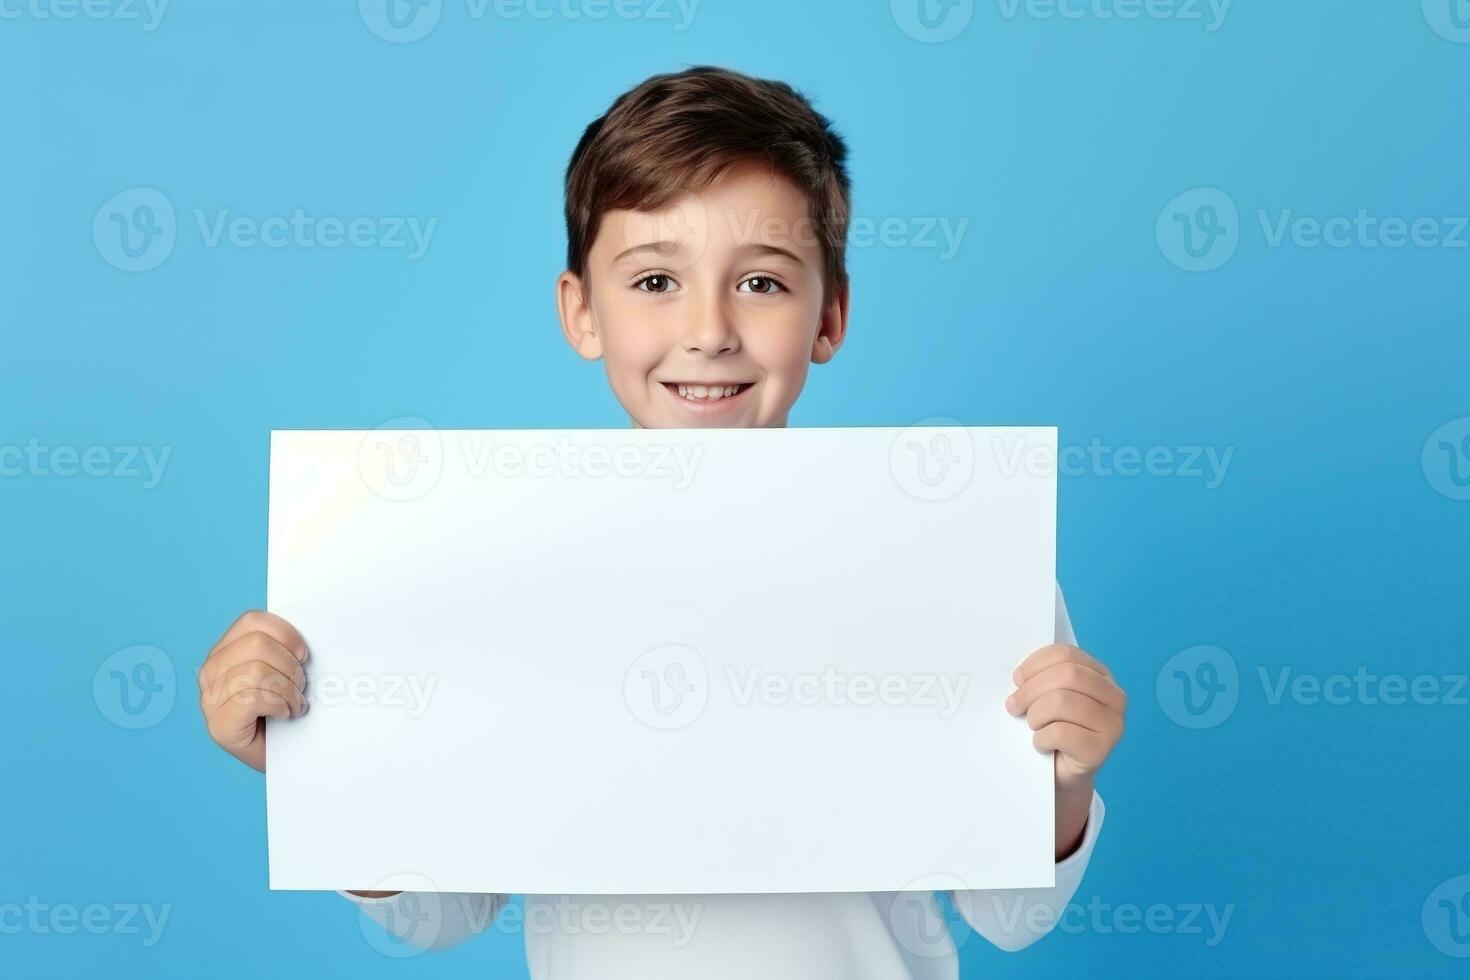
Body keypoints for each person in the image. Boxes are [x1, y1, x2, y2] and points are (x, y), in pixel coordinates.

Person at [197, 65, 1127, 979]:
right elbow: (443, 913)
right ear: (581, 311)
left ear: (829, 315)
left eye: (761, 283)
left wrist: (1066, 784)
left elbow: (1011, 916)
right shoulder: (506, 565)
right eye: (654, 282)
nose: (709, 330)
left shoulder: (953, 561)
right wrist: (316, 765)